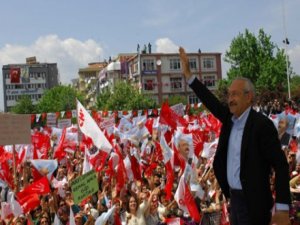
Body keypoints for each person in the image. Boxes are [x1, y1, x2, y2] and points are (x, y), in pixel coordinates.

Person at [179, 46, 291, 225]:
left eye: (235, 94)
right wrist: (189, 77)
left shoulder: (262, 125)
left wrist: (283, 208)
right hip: (235, 200)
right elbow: (210, 100)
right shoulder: (229, 120)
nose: (230, 98)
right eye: (229, 94)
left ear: (249, 97)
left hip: (255, 203)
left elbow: (281, 165)